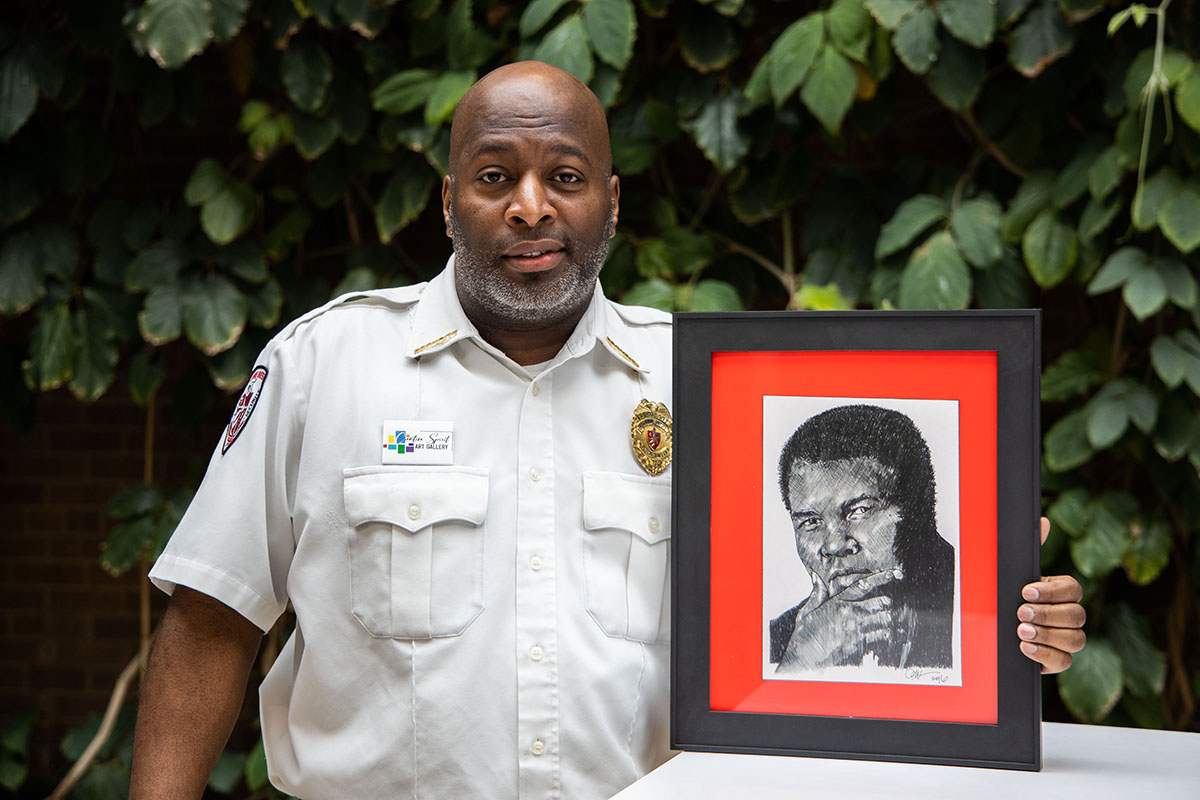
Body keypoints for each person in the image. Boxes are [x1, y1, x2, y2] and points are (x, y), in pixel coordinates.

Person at [129, 62, 1087, 799]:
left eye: (567, 175)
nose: (530, 205)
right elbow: (212, 619)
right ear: (450, 200)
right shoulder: (323, 365)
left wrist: (1000, 617)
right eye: (495, 174)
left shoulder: (708, 388)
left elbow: (818, 632)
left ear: (612, 204)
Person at [769, 405, 953, 673]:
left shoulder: (982, 606)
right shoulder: (784, 642)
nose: (834, 545)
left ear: (915, 508)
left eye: (859, 511)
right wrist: (800, 664)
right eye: (810, 522)